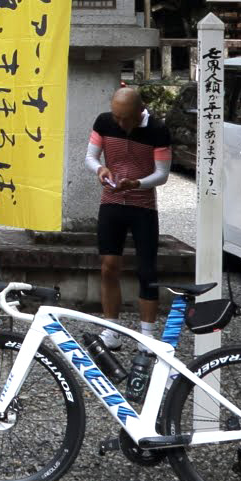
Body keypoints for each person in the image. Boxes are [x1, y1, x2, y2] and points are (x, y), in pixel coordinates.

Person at [87, 84, 174, 347]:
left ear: (140, 111)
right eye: (116, 115)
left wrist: (137, 183)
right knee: (108, 266)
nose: (119, 122)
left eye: (125, 117)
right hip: (111, 201)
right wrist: (101, 169)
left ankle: (147, 334)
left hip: (142, 205)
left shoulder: (158, 130)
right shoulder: (104, 122)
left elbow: (162, 174)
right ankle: (111, 329)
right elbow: (90, 157)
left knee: (147, 269)